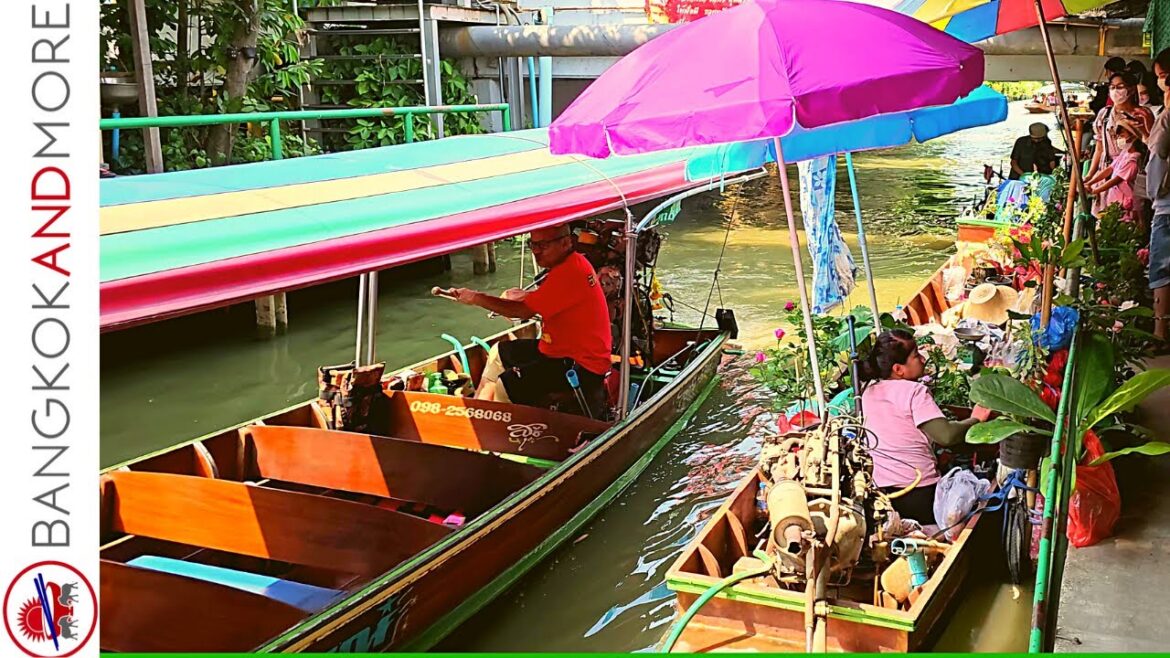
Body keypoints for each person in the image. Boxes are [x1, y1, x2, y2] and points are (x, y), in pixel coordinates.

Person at [447, 224, 612, 415]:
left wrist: (476, 298)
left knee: (506, 385)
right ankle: (479, 413)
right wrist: (526, 296)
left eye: (543, 245)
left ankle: (502, 436)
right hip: (557, 350)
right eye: (532, 244)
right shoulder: (570, 265)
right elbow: (550, 300)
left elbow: (522, 312)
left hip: (580, 363)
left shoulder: (569, 272)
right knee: (498, 352)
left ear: (566, 243)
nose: (535, 251)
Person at [858, 330, 985, 523]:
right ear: (898, 369)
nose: (923, 359)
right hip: (919, 493)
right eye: (916, 355)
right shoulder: (914, 391)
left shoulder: (867, 391)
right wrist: (976, 419)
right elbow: (946, 436)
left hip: (882, 495)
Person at [1088, 72, 1154, 216]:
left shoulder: (1142, 114)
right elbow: (1099, 149)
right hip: (1108, 168)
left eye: (1120, 87)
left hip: (1133, 173)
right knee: (1105, 216)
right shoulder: (1104, 115)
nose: (1115, 91)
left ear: (1130, 89)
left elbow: (1151, 142)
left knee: (1130, 214)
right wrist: (1090, 176)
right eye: (1112, 87)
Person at [1145, 48, 1170, 341]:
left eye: (1164, 78)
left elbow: (1160, 149)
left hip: (1166, 202)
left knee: (1162, 266)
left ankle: (1160, 332)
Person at [1087, 123, 1144, 223]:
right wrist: (1090, 183)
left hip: (1126, 204)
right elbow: (1109, 169)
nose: (1119, 139)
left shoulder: (1134, 159)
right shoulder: (1125, 153)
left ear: (1134, 136)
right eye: (1118, 136)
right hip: (1115, 201)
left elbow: (1115, 180)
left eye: (1122, 136)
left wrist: (1094, 191)